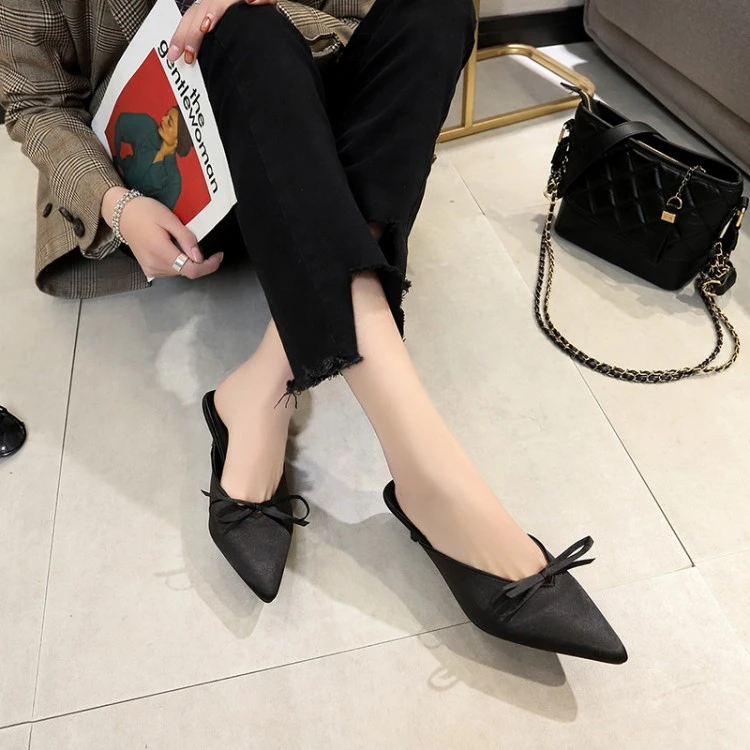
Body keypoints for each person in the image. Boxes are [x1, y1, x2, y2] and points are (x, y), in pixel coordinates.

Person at [0, 0, 627, 663]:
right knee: (240, 32)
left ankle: (263, 387)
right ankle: (432, 477)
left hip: (294, 140)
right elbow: (32, 100)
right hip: (172, 189)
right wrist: (116, 205)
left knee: (434, 9)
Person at [113, 106, 194, 210]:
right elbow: (120, 122)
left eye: (170, 122)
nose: (163, 119)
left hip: (128, 208)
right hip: (111, 174)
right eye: (166, 114)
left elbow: (161, 212)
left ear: (177, 141)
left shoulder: (174, 181)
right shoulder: (147, 126)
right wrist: (118, 158)